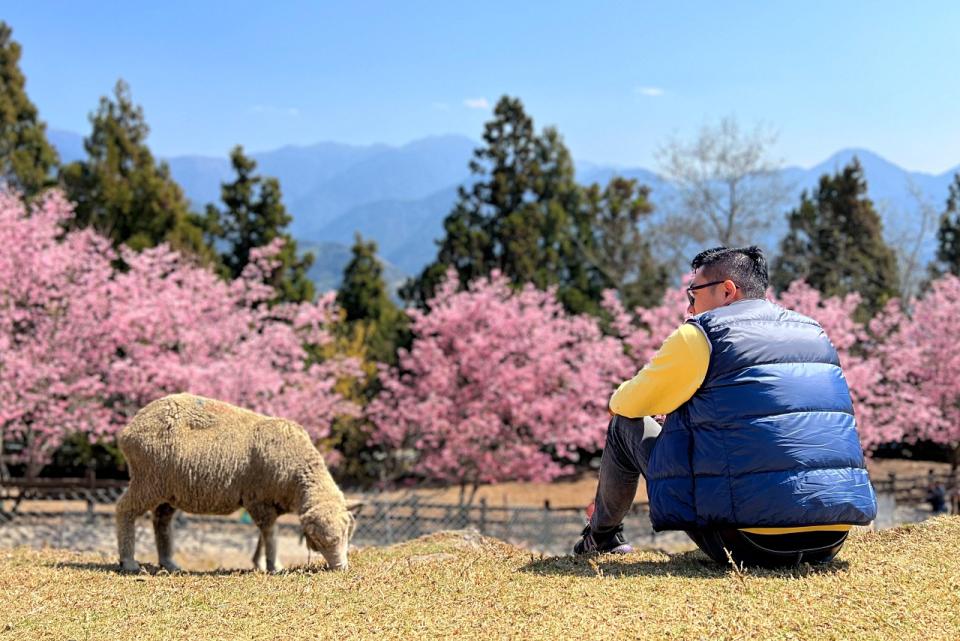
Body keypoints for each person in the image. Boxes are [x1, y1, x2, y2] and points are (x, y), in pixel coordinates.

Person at [574, 246, 878, 568]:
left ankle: (602, 538)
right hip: (830, 540)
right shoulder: (813, 330)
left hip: (746, 541)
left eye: (693, 295)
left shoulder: (701, 335)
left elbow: (626, 404)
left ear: (727, 290)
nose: (690, 308)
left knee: (625, 424)